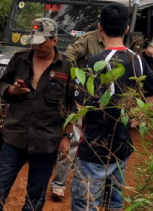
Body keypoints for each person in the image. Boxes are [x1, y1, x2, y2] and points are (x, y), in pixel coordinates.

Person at [71, 3, 153, 211]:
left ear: (99, 28)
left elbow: (80, 103)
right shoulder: (136, 60)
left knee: (85, 204)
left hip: (94, 147)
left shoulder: (96, 61)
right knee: (114, 203)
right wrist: (139, 115)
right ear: (126, 29)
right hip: (121, 146)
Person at [0, 18, 74, 211]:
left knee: (35, 199)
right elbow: (4, 84)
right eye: (33, 41)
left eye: (41, 42)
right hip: (15, 137)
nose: (36, 46)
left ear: (54, 40)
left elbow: (72, 106)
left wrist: (66, 137)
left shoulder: (66, 66)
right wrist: (12, 91)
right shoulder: (20, 59)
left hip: (46, 141)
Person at [48, 29, 105, 200]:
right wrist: (78, 79)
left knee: (99, 144)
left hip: (103, 101)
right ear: (100, 26)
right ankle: (58, 184)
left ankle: (94, 187)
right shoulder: (87, 39)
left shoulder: (115, 39)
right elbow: (69, 57)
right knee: (72, 141)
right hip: (82, 99)